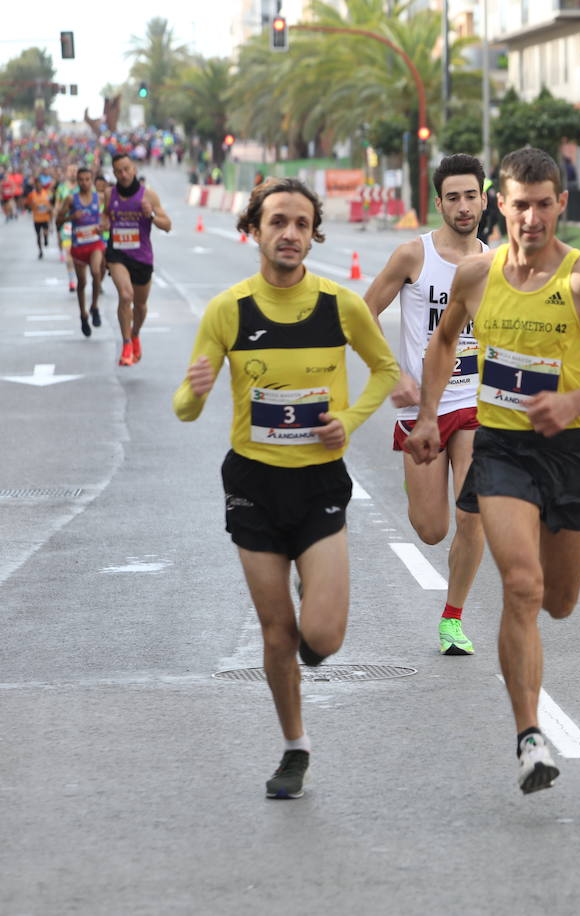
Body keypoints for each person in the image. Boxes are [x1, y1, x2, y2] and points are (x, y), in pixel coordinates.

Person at [405, 147, 580, 793]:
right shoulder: (476, 275)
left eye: (543, 204)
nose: (531, 218)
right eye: (519, 204)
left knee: (559, 602)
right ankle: (530, 737)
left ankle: (532, 710)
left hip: (572, 453)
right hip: (500, 449)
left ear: (561, 205)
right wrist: (431, 415)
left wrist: (579, 399)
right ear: (502, 203)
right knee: (521, 585)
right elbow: (444, 342)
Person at [173, 178, 399, 797]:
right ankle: (294, 746)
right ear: (256, 230)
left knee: (320, 638)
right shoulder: (228, 310)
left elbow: (385, 370)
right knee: (277, 632)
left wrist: (347, 423)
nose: (291, 234)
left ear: (314, 233)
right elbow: (185, 411)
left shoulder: (340, 306)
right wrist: (194, 388)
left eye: (302, 223)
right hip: (253, 483)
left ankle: (312, 586)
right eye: (279, 222)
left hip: (320, 482)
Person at [364, 154, 489, 655]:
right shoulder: (412, 256)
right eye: (453, 197)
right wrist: (392, 374)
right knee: (433, 528)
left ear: (485, 197)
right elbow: (363, 312)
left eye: (471, 195)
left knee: (472, 515)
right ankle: (421, 490)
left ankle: (453, 620)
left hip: (476, 404)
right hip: (424, 409)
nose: (463, 206)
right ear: (438, 203)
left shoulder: (496, 262)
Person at [104, 152, 171, 366]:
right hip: (117, 253)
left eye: (126, 169)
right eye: (118, 171)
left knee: (140, 305)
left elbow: (167, 225)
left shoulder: (148, 196)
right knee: (125, 295)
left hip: (141, 256)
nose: (123, 174)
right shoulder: (109, 194)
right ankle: (126, 346)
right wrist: (104, 222)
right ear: (114, 173)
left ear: (134, 169)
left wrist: (150, 214)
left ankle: (135, 334)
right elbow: (106, 214)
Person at [53, 166, 106, 337]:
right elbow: (58, 220)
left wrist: (104, 225)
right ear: (77, 181)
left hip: (95, 243)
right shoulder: (70, 199)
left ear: (92, 180)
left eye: (87, 179)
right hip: (78, 246)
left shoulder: (99, 198)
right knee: (82, 283)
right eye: (81, 180)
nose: (84, 183)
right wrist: (70, 217)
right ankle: (83, 315)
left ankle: (95, 306)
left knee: (97, 272)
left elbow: (109, 215)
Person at [26, 177, 52, 258]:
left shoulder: (46, 193)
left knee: (45, 231)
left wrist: (49, 209)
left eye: (39, 185)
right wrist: (32, 207)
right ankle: (40, 251)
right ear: (35, 185)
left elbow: (50, 205)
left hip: (45, 217)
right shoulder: (31, 195)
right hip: (36, 218)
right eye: (36, 185)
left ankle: (46, 238)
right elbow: (28, 206)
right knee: (38, 236)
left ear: (41, 185)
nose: (38, 186)